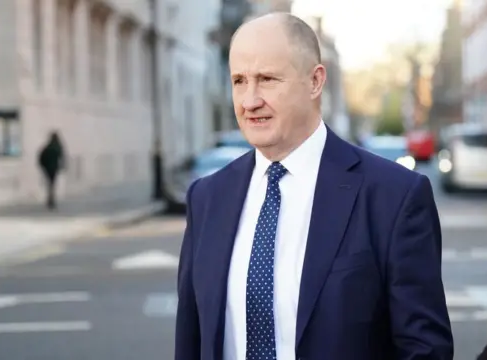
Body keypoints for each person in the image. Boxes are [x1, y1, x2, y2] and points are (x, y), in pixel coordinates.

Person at [175, 13, 453, 360]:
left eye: (267, 79)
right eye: (239, 81)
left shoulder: (394, 196)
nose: (249, 100)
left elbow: (424, 349)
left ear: (315, 81)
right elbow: (190, 341)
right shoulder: (207, 198)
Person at [38, 131, 65, 209]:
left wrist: (43, 166)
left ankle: (50, 200)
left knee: (50, 184)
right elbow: (61, 157)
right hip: (54, 168)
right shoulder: (58, 146)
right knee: (52, 184)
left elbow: (41, 157)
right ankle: (51, 200)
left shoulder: (48, 147)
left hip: (48, 168)